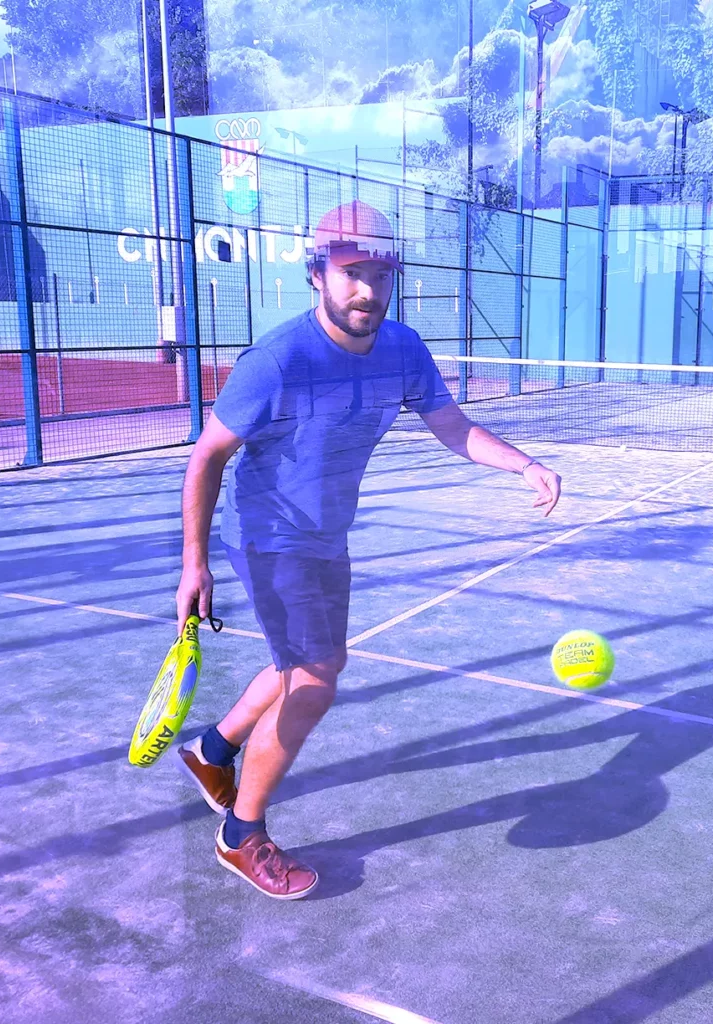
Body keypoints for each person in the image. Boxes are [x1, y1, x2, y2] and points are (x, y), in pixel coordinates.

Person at [172, 200, 562, 900]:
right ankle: (241, 834)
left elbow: (453, 427)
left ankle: (214, 750)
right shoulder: (279, 360)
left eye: (381, 275)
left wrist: (523, 464)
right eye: (353, 273)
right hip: (268, 535)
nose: (368, 290)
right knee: (314, 679)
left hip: (326, 534)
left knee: (310, 662)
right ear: (318, 273)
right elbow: (205, 460)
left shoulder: (404, 350)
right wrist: (194, 565)